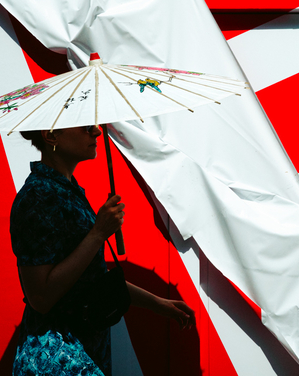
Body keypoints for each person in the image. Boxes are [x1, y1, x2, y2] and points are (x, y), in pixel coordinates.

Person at [10, 124, 195, 376]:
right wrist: (98, 233)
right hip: (56, 360)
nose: (96, 132)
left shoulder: (65, 190)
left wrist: (156, 303)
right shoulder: (37, 197)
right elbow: (40, 298)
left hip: (82, 352)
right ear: (51, 135)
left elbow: (90, 278)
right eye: (86, 128)